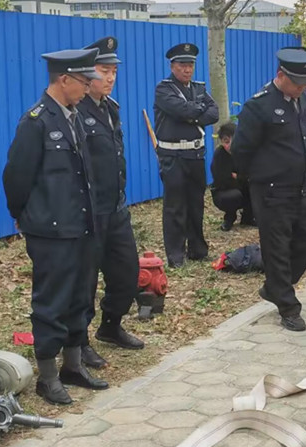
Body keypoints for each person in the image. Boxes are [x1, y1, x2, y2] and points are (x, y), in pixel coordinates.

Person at [3, 49, 109, 405]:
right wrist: (22, 215)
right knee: (52, 301)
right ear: (63, 80)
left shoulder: (73, 117)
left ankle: (73, 366)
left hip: (80, 225)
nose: (88, 87)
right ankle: (48, 378)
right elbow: (16, 177)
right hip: (51, 230)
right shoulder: (35, 122)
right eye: (83, 81)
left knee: (79, 296)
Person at [231, 47, 306, 332]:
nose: (302, 88)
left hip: (302, 188)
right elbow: (241, 150)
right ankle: (288, 306)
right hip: (272, 190)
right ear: (280, 75)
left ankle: (275, 286)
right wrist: (257, 180)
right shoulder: (258, 106)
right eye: (297, 83)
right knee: (277, 248)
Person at [75, 37, 144, 369]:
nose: (111, 77)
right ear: (87, 74)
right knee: (85, 280)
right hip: (89, 212)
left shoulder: (110, 107)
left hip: (116, 208)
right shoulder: (76, 111)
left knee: (127, 272)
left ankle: (110, 326)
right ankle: (80, 342)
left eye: (114, 71)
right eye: (105, 71)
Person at [154, 43, 219, 267]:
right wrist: (197, 110)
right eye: (182, 65)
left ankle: (197, 250)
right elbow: (181, 110)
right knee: (175, 207)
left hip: (195, 154)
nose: (187, 69)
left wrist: (193, 112)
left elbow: (214, 113)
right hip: (172, 155)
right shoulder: (164, 89)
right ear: (172, 66)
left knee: (196, 204)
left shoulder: (199, 88)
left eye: (190, 65)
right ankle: (176, 256)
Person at [210, 122, 254, 231]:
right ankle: (229, 218)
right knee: (234, 195)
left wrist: (237, 177)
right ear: (221, 142)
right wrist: (241, 178)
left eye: (234, 141)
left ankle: (248, 217)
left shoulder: (244, 153)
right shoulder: (219, 155)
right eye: (226, 141)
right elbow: (222, 180)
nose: (230, 145)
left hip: (243, 188)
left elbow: (252, 174)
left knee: (255, 188)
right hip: (223, 192)